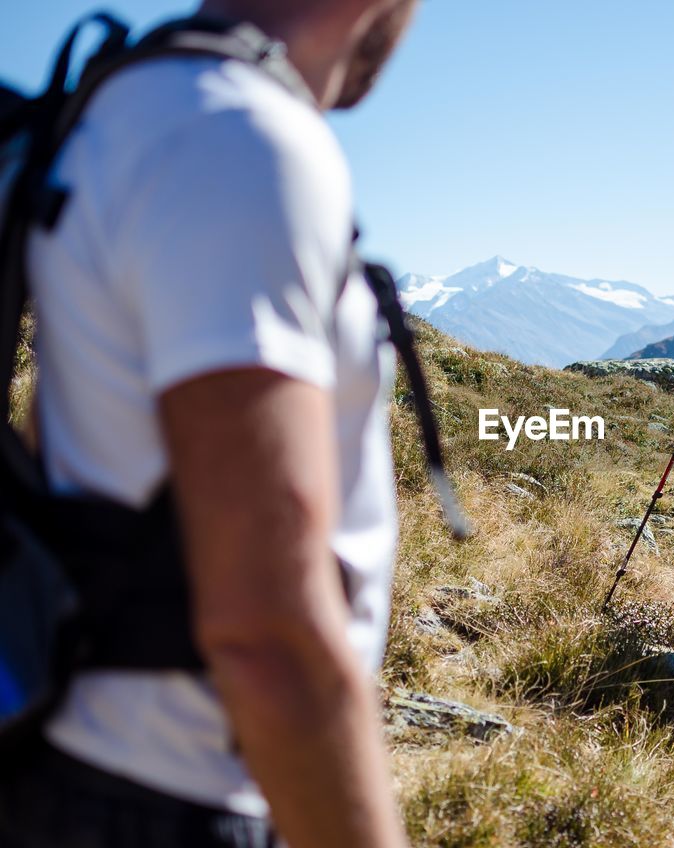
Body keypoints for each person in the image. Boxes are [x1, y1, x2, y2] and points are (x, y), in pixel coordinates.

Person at [0, 2, 421, 846]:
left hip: (66, 757)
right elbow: (267, 635)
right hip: (167, 800)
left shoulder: (128, 104)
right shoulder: (242, 142)